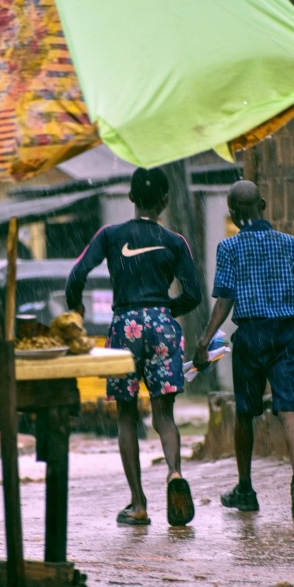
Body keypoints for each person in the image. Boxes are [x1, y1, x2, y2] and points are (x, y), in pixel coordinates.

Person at [66, 167, 202, 526]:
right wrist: (162, 309)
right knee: (164, 415)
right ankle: (174, 473)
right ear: (165, 201)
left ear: (130, 198)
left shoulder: (111, 235)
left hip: (124, 326)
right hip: (161, 325)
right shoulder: (175, 241)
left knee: (126, 415)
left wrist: (75, 308)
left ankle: (139, 504)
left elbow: (77, 273)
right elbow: (194, 294)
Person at [193, 179, 294, 519]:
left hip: (250, 337)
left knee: (245, 413)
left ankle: (246, 489)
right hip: (285, 335)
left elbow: (224, 300)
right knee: (289, 409)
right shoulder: (289, 244)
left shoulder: (229, 248)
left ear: (233, 215)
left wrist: (204, 342)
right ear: (262, 206)